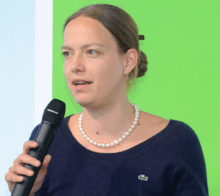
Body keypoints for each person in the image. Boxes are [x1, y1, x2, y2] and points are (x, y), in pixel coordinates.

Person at [5, 4, 209, 196]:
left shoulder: (176, 142)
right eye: (67, 53)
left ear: (128, 61)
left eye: (91, 52)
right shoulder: (48, 137)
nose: (75, 65)